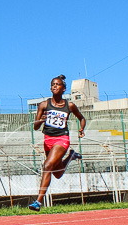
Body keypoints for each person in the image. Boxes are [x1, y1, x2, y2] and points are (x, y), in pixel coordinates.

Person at [28, 74, 85, 212]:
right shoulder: (44, 105)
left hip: (62, 139)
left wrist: (81, 128)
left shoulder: (69, 105)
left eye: (58, 84)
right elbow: (35, 127)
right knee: (57, 174)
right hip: (48, 140)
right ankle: (71, 156)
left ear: (63, 88)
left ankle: (38, 202)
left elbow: (81, 118)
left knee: (47, 165)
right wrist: (41, 119)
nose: (55, 86)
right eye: (53, 84)